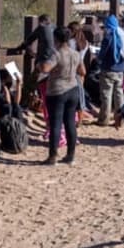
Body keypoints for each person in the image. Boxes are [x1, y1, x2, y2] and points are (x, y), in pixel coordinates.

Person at [38, 26, 84, 165]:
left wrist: (39, 65)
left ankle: (52, 156)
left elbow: (45, 68)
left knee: (55, 124)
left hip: (57, 91)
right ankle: (70, 155)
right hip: (73, 89)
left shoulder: (57, 54)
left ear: (56, 39)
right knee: (70, 123)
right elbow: (82, 71)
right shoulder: (75, 54)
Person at [96, 15, 124, 126]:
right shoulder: (123, 37)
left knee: (106, 95)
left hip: (108, 69)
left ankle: (104, 119)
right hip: (121, 69)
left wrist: (98, 58)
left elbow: (102, 54)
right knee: (119, 95)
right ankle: (120, 119)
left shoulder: (108, 38)